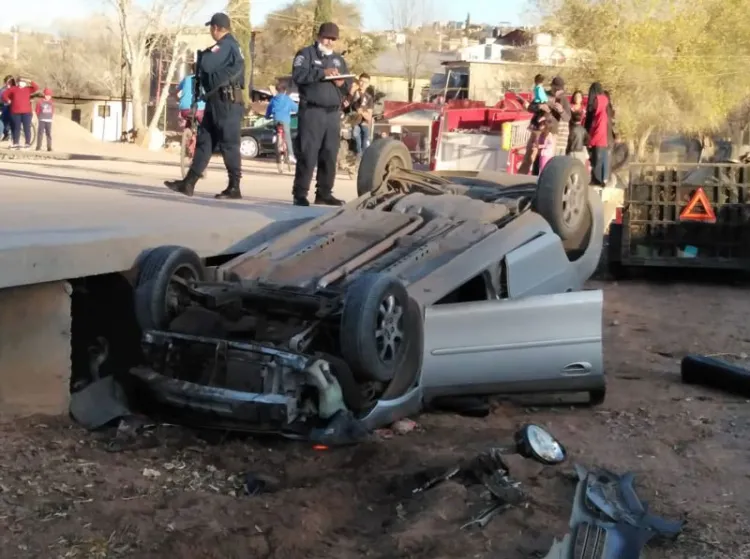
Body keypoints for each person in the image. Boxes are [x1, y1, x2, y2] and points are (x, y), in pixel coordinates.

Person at [164, 13, 246, 199]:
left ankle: (234, 186)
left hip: (226, 103)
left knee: (229, 144)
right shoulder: (231, 46)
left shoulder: (225, 45)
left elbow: (207, 65)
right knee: (205, 141)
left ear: (216, 28)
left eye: (211, 28)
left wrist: (203, 56)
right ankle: (189, 182)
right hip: (216, 100)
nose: (211, 31)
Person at [291, 22, 355, 207]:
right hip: (312, 111)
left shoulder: (339, 60)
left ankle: (324, 193)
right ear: (319, 37)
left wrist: (342, 83)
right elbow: (298, 76)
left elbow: (348, 87)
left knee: (329, 154)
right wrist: (322, 73)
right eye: (327, 38)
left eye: (333, 39)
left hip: (332, 114)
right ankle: (300, 193)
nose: (330, 42)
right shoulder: (305, 54)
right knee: (308, 153)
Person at [584, 82, 613, 186]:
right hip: (601, 142)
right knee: (598, 162)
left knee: (598, 163)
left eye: (596, 101)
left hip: (599, 142)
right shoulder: (599, 114)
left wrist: (590, 141)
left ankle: (599, 181)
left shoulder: (601, 115)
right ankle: (599, 180)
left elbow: (599, 131)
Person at [1, 76, 39, 149]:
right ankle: (16, 143)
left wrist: (29, 80)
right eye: (21, 81)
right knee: (16, 128)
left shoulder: (28, 89)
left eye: (23, 82)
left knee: (26, 128)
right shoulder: (13, 89)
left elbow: (36, 87)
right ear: (18, 82)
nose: (22, 83)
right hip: (15, 112)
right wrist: (8, 100)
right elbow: (4, 95)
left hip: (26, 112)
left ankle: (27, 143)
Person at [265, 81, 299, 163]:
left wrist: (267, 116)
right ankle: (291, 155)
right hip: (285, 120)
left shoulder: (273, 99)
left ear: (277, 90)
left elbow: (268, 110)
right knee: (287, 137)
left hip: (276, 119)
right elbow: (296, 108)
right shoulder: (288, 99)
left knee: (276, 128)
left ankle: (275, 135)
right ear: (285, 91)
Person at [349, 73, 374, 157]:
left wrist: (362, 112)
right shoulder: (353, 93)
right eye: (361, 81)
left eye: (365, 82)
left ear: (368, 84)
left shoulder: (369, 97)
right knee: (356, 133)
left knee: (365, 134)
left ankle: (364, 155)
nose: (362, 84)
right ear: (358, 81)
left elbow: (369, 116)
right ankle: (359, 154)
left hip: (363, 122)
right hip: (353, 120)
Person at [0, 75, 14, 142]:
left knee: (5, 122)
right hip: (4, 107)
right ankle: (6, 134)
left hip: (13, 108)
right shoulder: (2, 89)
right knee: (2, 121)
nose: (8, 84)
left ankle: (8, 135)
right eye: (7, 82)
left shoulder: (15, 89)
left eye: (10, 82)